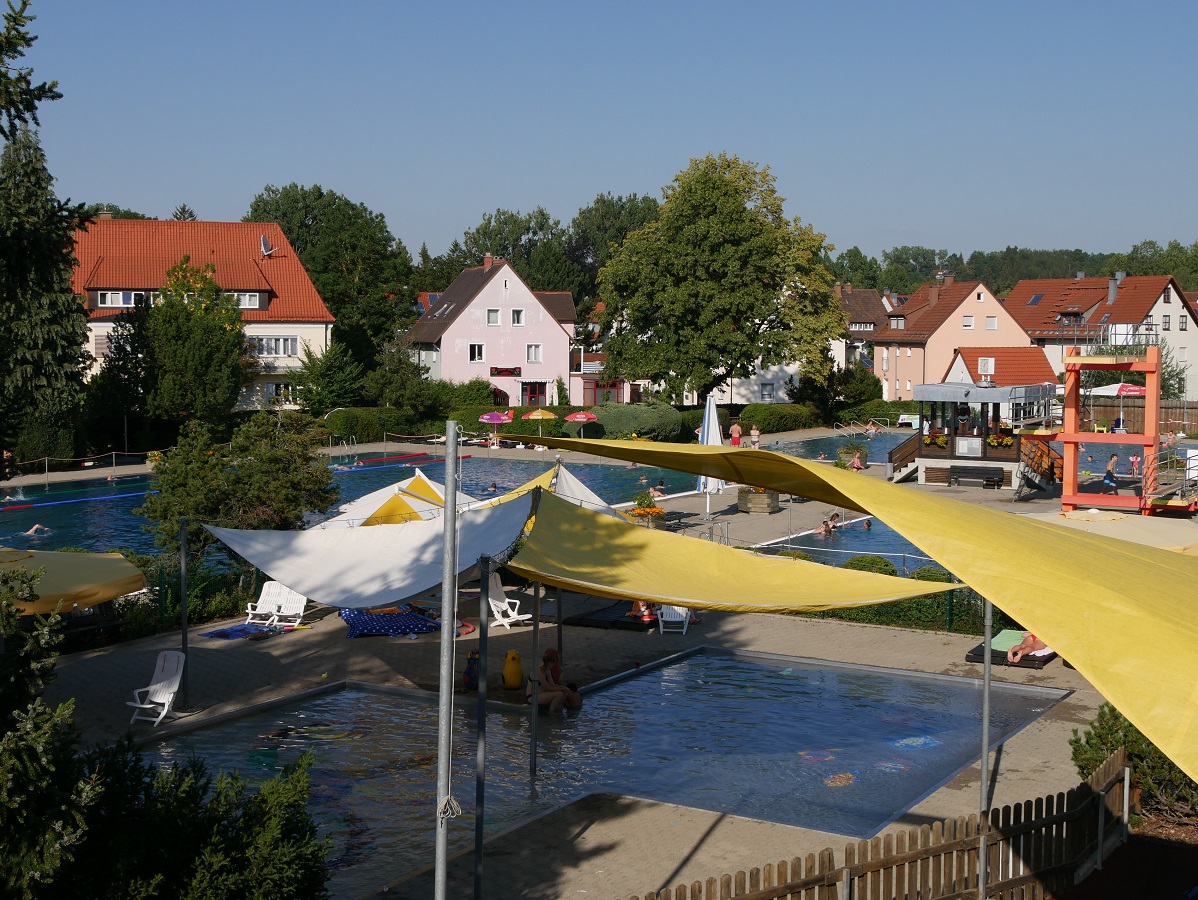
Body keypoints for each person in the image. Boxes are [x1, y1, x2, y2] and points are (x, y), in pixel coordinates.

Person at [527, 649, 582, 713]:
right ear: (549, 663)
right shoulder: (538, 672)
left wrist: (564, 688)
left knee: (563, 692)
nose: (553, 666)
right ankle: (551, 712)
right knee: (558, 694)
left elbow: (552, 684)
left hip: (542, 693)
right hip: (532, 696)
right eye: (552, 664)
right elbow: (548, 687)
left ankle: (556, 708)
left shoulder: (547, 670)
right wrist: (562, 688)